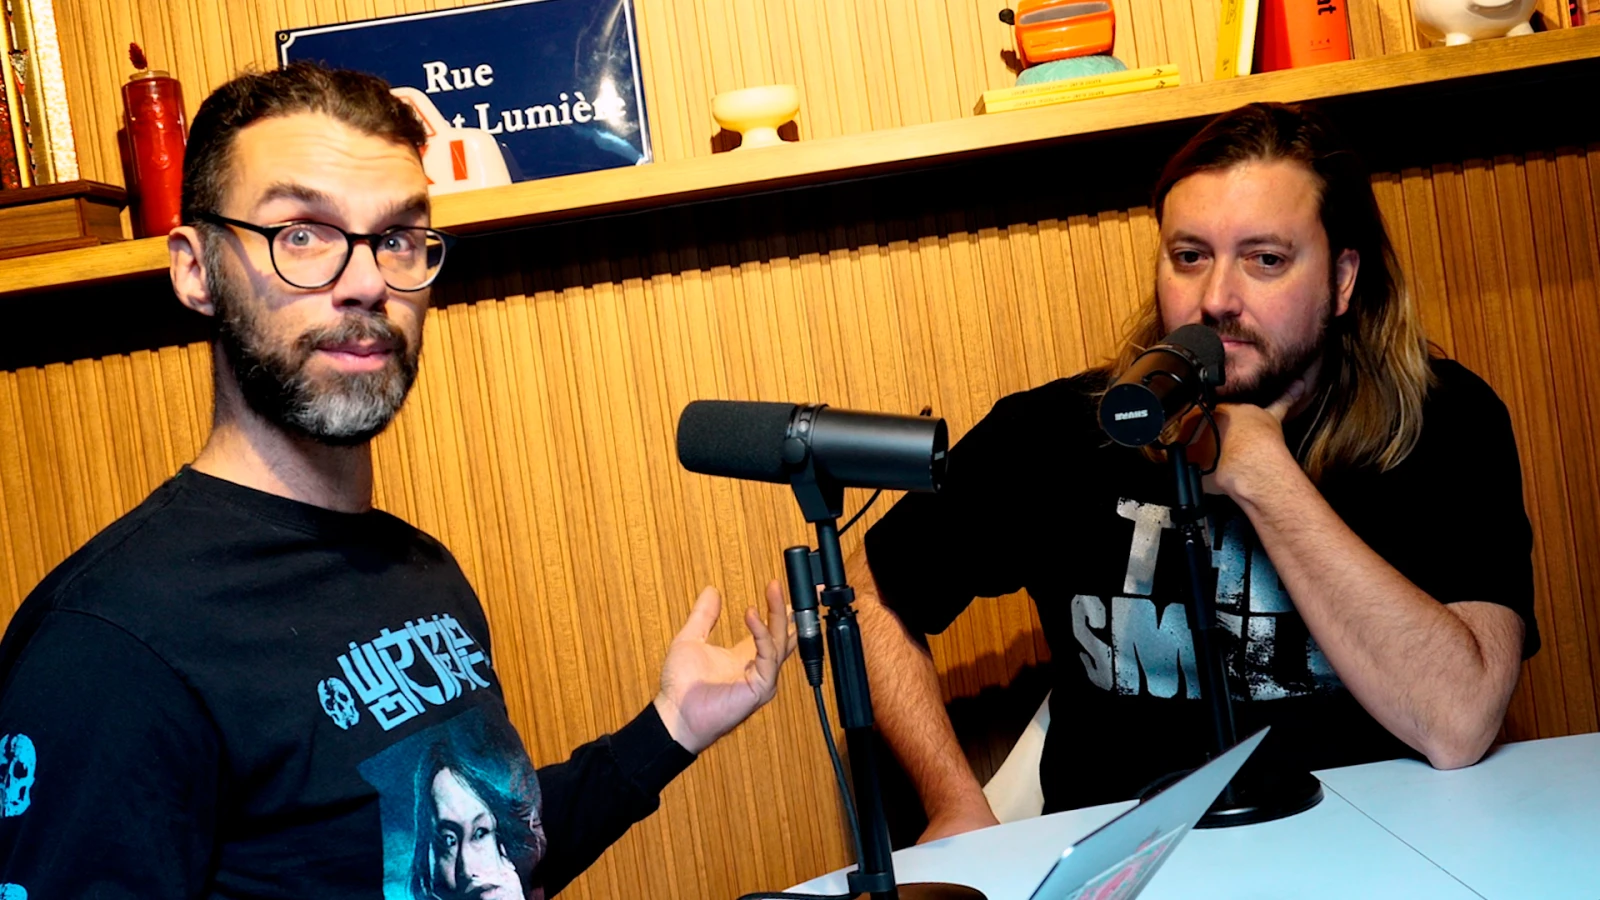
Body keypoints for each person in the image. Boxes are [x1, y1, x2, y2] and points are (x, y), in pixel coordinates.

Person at [0, 63, 793, 898]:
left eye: (399, 238)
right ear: (197, 271)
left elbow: (482, 871)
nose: (370, 282)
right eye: (302, 234)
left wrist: (668, 729)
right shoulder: (106, 647)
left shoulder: (417, 569)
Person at [851, 101, 1539, 842]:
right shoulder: (1059, 432)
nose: (1216, 299)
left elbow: (1460, 722)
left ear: (1342, 280)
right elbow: (864, 591)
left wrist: (1264, 474)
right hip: (1131, 869)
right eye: (1189, 256)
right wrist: (953, 801)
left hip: (1382, 857)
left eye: (1265, 259)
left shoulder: (1443, 422)